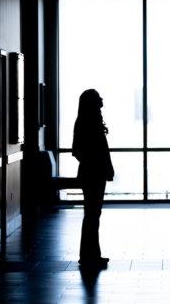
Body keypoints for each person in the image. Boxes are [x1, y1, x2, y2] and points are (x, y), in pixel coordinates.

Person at [72, 89, 114, 268]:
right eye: (98, 98)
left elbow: (78, 151)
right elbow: (80, 150)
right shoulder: (89, 122)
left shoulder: (86, 121)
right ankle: (90, 255)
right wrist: (99, 165)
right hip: (94, 174)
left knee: (92, 214)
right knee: (92, 214)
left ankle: (90, 254)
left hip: (91, 172)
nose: (102, 100)